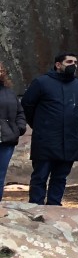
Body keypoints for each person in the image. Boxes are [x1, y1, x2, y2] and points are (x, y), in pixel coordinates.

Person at [21, 52, 78, 205]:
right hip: (46, 138)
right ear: (58, 65)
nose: (73, 65)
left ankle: (55, 207)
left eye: (75, 62)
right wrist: (38, 124)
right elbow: (27, 105)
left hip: (69, 139)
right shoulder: (41, 82)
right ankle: (36, 207)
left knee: (61, 176)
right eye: (69, 62)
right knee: (40, 176)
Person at [0, 61, 27, 201]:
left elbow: (20, 112)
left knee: (0, 175)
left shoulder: (8, 93)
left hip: (6, 140)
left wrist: (19, 128)